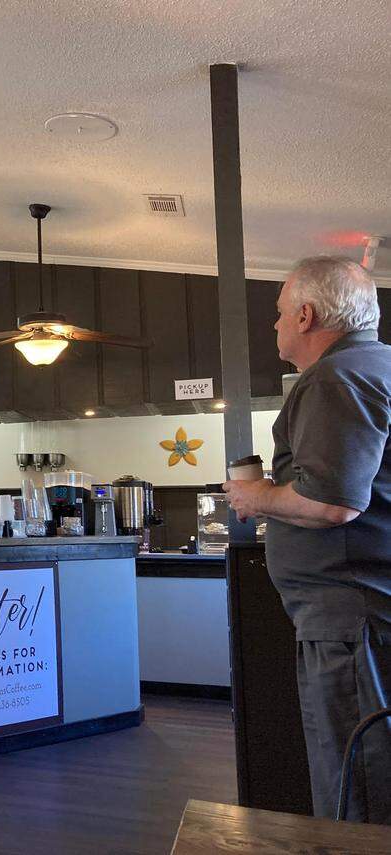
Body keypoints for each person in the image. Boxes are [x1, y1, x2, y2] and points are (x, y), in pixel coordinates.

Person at [223, 256, 390, 822]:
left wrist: (257, 498)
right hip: (366, 615)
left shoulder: (335, 378)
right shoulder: (378, 366)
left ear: (306, 314)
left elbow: (333, 502)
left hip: (352, 621)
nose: (274, 324)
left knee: (357, 783)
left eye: (278, 313)